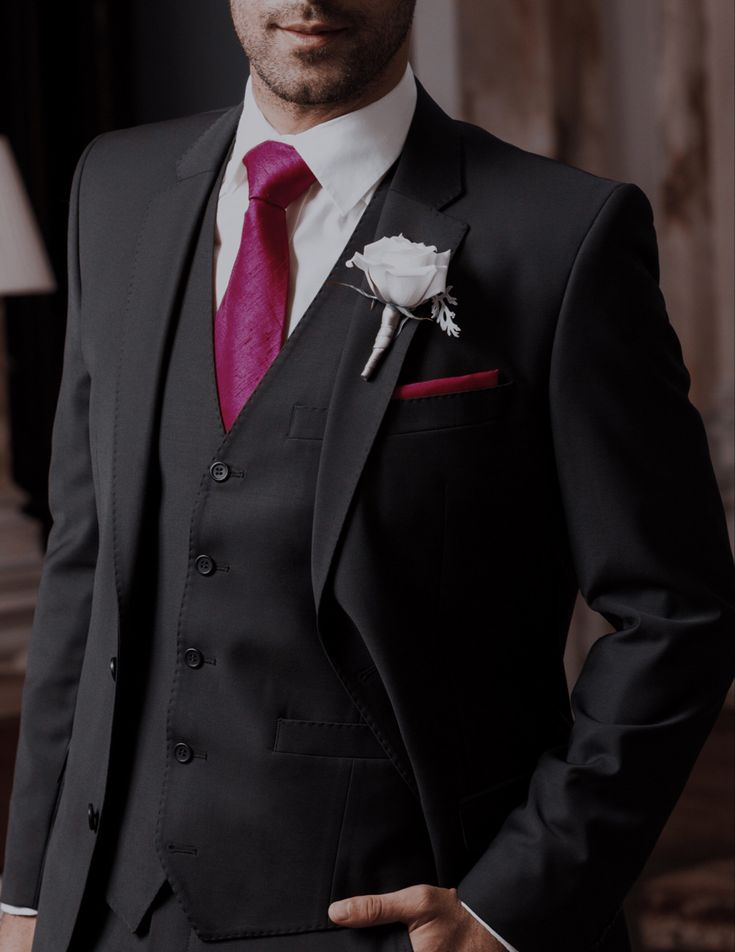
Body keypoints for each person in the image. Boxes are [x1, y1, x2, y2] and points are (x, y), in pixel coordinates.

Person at [1, 1, 734, 950]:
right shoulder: (117, 186)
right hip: (105, 914)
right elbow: (82, 562)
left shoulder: (561, 235)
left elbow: (676, 613)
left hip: (390, 918)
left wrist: (510, 904)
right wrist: (27, 895)